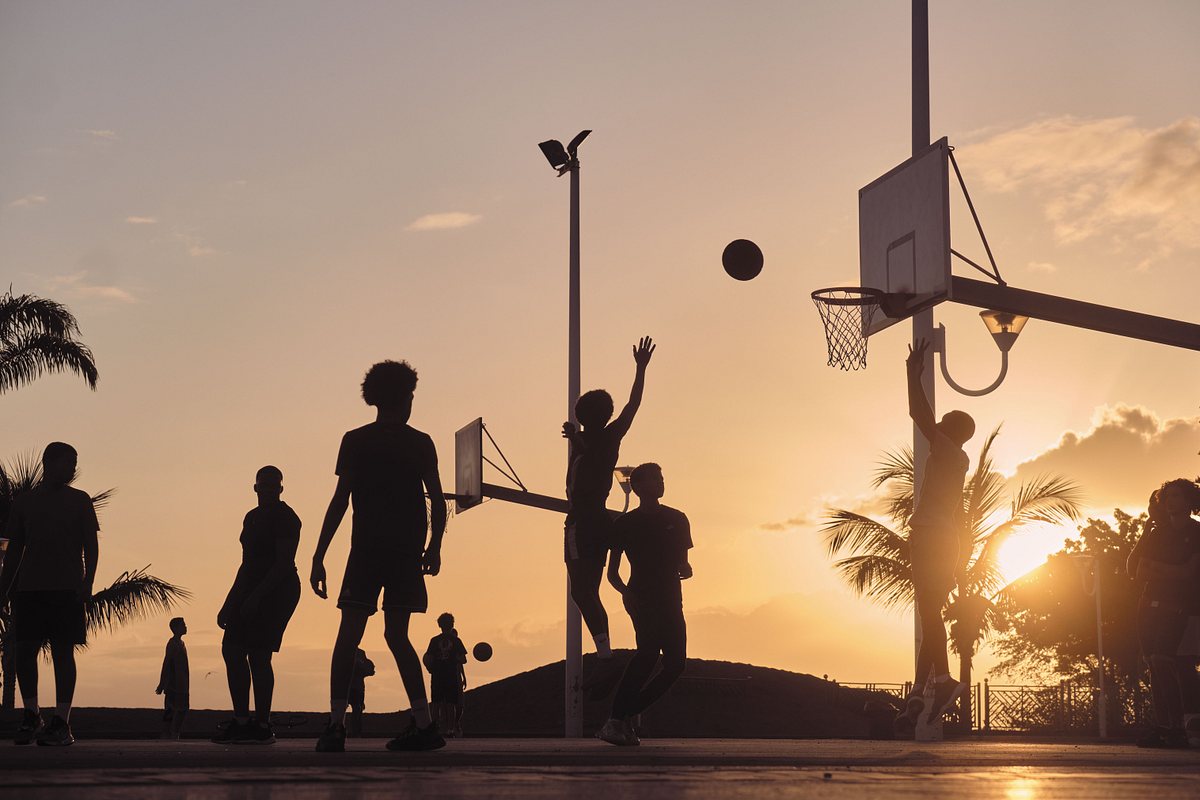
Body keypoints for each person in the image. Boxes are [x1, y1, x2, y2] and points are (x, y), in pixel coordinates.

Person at [310, 360, 448, 753]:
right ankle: (424, 725)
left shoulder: (356, 440)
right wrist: (435, 546)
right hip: (404, 552)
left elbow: (341, 501)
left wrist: (319, 554)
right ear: (405, 397)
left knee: (348, 636)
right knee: (397, 636)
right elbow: (436, 501)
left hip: (366, 550)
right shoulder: (420, 442)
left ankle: (336, 725)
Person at [893, 340, 975, 736]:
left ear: (951, 431)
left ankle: (942, 681)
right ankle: (918, 696)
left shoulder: (947, 449)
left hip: (931, 538)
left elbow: (917, 412)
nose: (935, 426)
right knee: (931, 615)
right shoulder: (957, 459)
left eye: (941, 424)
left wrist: (913, 373)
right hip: (944, 540)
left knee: (928, 612)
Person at [560, 336, 655, 668]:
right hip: (599, 519)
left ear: (580, 414)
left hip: (584, 521)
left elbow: (631, 407)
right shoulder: (592, 438)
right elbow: (633, 405)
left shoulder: (590, 440)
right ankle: (608, 652)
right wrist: (640, 369)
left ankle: (605, 655)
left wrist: (641, 369)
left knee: (583, 592)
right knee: (592, 589)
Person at [0, 442, 98, 747]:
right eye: (68, 463)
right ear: (49, 462)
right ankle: (32, 715)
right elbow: (14, 549)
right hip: (30, 589)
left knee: (62, 653)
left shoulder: (80, 500)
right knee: (25, 651)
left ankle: (61, 721)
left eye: (74, 463)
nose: (72, 469)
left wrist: (88, 582)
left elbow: (91, 546)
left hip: (66, 588)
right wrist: (3, 590)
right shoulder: (25, 503)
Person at [597, 463, 692, 746]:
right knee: (648, 653)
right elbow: (612, 573)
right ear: (638, 487)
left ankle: (621, 716)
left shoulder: (678, 518)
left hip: (672, 597)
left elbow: (683, 562)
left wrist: (687, 568)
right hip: (642, 596)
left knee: (676, 664)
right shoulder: (625, 524)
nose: (661, 483)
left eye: (662, 478)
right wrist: (626, 593)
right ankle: (617, 719)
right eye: (655, 479)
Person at [213, 465, 302, 745]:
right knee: (232, 649)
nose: (267, 490)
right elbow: (246, 564)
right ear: (255, 488)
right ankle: (241, 721)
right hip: (250, 586)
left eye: (273, 486)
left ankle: (263, 724)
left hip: (279, 588)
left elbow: (283, 563)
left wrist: (257, 597)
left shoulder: (286, 518)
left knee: (259, 655)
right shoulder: (251, 518)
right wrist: (230, 602)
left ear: (280, 489)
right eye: (263, 485)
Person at [1127, 479, 1200, 748]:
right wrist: (1168, 567)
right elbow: (1137, 570)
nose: (1171, 500)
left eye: (1177, 495)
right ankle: (1164, 727)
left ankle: (1178, 727)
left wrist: (1158, 567)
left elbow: (1189, 573)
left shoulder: (1196, 532)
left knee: (1163, 658)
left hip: (1177, 607)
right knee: (1153, 664)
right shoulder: (1157, 534)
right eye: (1168, 496)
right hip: (1147, 605)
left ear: (1189, 500)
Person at [423, 613, 467, 737]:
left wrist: (431, 668)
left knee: (436, 703)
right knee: (450, 704)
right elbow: (463, 659)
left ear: (439, 625)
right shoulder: (456, 640)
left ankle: (434, 729)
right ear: (452, 624)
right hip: (451, 675)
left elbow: (428, 658)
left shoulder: (434, 640)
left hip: (437, 675)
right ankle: (450, 730)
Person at [155, 617, 190, 739]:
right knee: (171, 709)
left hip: (183, 683)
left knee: (183, 709)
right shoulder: (172, 644)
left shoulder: (182, 644)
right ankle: (168, 733)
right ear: (175, 628)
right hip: (173, 683)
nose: (185, 627)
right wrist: (162, 683)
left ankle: (175, 732)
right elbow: (167, 663)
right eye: (183, 625)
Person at [347, 648, 376, 738]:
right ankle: (354, 731)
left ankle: (355, 731)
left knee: (357, 709)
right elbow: (369, 670)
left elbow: (369, 670)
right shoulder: (356, 653)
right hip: (352, 687)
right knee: (356, 709)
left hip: (356, 687)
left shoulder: (359, 653)